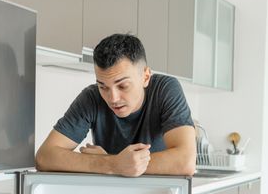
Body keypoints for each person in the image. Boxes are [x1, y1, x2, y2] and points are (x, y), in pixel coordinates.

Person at [36, 33, 196, 177]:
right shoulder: (91, 97)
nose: (112, 98)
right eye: (103, 86)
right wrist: (113, 164)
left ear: (145, 77)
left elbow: (185, 161)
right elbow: (45, 157)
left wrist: (110, 160)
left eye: (123, 86)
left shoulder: (165, 89)